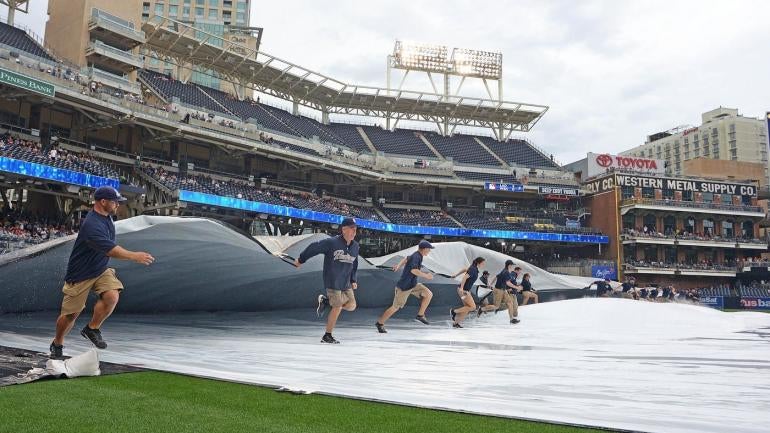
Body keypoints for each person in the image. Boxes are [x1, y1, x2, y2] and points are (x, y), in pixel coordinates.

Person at [50, 186, 154, 358]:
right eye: (114, 202)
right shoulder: (91, 225)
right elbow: (110, 250)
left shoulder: (107, 218)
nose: (117, 205)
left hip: (99, 269)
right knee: (70, 315)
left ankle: (92, 329)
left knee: (112, 296)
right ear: (103, 202)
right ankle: (57, 343)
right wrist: (134, 256)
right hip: (81, 273)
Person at [295, 217, 359, 344]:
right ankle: (327, 335)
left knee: (352, 306)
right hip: (333, 281)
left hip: (345, 282)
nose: (354, 231)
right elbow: (314, 247)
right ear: (344, 229)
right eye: (351, 229)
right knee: (337, 306)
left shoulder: (355, 246)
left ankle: (325, 301)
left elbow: (354, 263)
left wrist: (353, 279)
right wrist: (301, 259)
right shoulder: (332, 243)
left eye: (355, 229)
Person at [375, 240, 435, 333]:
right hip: (405, 286)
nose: (429, 251)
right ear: (424, 249)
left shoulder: (418, 255)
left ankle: (420, 315)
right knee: (395, 307)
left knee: (428, 294)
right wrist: (426, 275)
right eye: (429, 249)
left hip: (413, 284)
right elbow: (413, 271)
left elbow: (406, 259)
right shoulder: (416, 256)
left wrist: (398, 266)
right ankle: (380, 323)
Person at [478, 260, 522, 324]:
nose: (512, 267)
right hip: (498, 290)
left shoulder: (504, 271)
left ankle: (511, 319)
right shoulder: (506, 272)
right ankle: (482, 309)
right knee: (496, 306)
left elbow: (496, 276)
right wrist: (517, 287)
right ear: (509, 265)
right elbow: (508, 283)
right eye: (512, 265)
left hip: (503, 290)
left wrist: (490, 284)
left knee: (510, 303)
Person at [449, 257, 485, 328]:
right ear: (479, 263)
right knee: (472, 307)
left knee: (467, 307)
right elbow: (465, 277)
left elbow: (465, 269)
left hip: (465, 290)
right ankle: (454, 311)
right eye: (483, 263)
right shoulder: (473, 269)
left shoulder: (473, 268)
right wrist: (462, 288)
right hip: (463, 291)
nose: (483, 265)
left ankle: (456, 323)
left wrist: (456, 275)